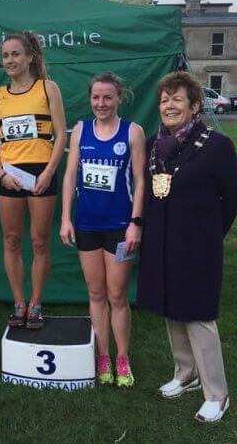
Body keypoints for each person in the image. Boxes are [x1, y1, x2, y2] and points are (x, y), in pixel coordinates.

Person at [137, 72, 237, 422]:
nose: (169, 105)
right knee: (171, 308)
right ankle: (187, 372)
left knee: (198, 314)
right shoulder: (154, 144)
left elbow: (233, 196)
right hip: (163, 241)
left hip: (198, 244)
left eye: (177, 99)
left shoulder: (217, 146)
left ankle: (217, 392)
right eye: (165, 99)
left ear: (195, 105)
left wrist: (211, 232)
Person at [60, 72, 146, 387]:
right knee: (96, 292)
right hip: (86, 225)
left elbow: (140, 181)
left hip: (119, 228)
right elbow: (70, 176)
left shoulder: (133, 133)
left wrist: (135, 223)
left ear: (118, 98)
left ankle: (123, 358)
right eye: (96, 97)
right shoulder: (81, 130)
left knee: (117, 294)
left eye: (107, 97)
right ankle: (103, 355)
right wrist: (65, 218)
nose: (101, 103)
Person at [0, 32, 67, 329]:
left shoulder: (48, 88)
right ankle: (18, 302)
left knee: (39, 242)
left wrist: (48, 172)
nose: (10, 60)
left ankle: (36, 304)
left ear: (30, 57)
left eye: (15, 54)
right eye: (5, 55)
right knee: (11, 240)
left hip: (42, 174)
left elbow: (61, 135)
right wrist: (1, 174)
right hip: (10, 177)